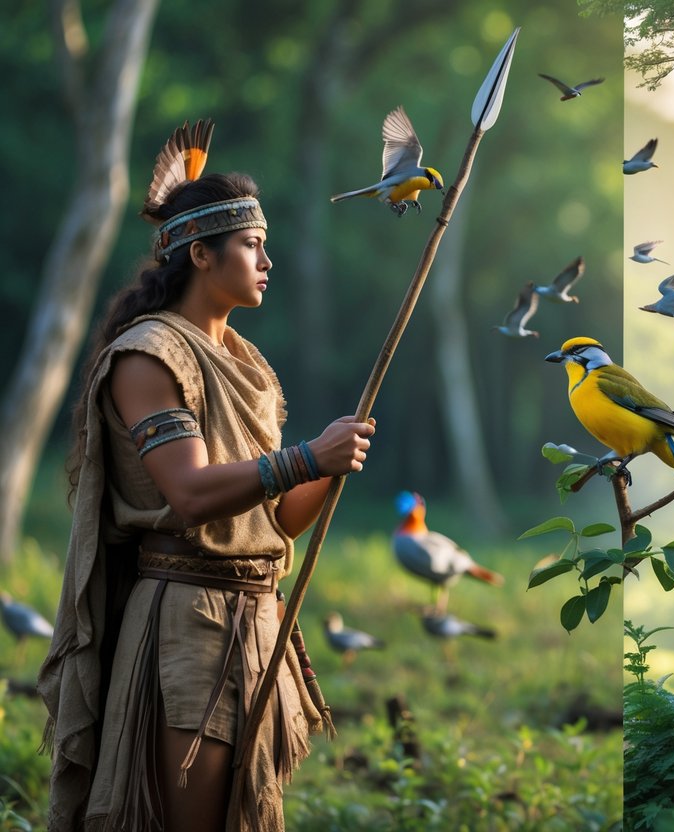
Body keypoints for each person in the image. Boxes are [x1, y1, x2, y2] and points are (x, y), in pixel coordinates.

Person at [38, 119, 376, 831]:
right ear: (200, 253)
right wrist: (305, 458)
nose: (267, 261)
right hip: (186, 623)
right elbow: (190, 495)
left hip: (257, 618)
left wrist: (330, 465)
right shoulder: (149, 355)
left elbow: (275, 521)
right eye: (252, 245)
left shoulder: (250, 365)